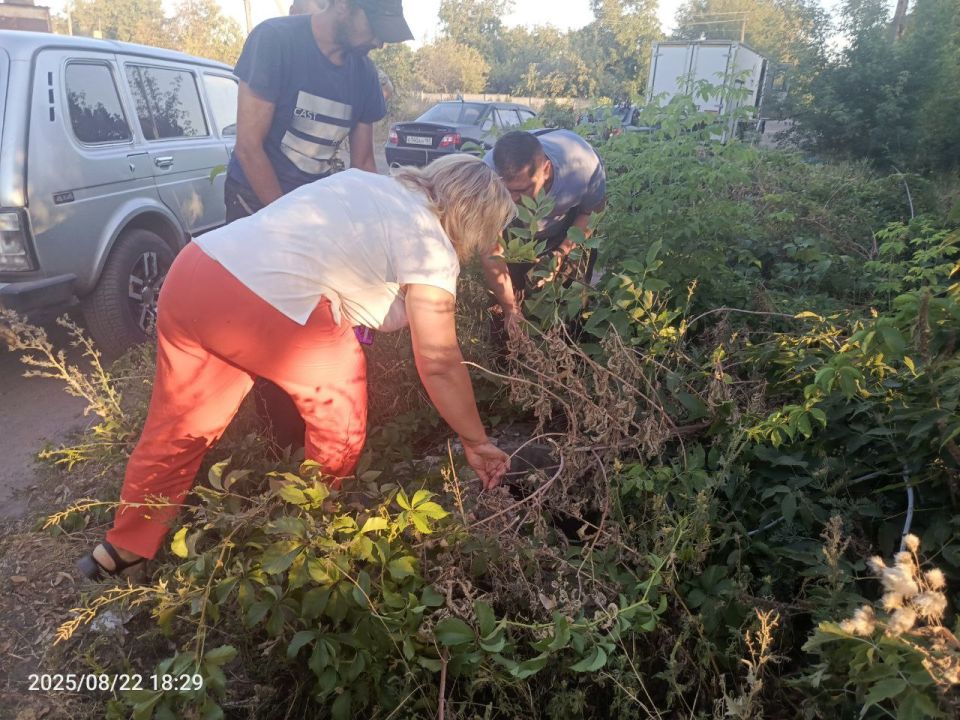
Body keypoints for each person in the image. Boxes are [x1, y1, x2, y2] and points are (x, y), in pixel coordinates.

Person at [77, 155, 514, 580]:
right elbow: (439, 361)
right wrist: (475, 441)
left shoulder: (371, 185)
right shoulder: (431, 245)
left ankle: (124, 547)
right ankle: (308, 539)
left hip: (196, 271)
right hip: (257, 304)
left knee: (179, 426)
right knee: (340, 417)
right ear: (474, 220)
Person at [228, 0, 413, 449]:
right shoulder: (275, 42)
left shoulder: (363, 73)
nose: (380, 41)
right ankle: (278, 442)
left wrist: (382, 229)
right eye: (377, 27)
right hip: (257, 205)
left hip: (314, 213)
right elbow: (249, 146)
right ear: (346, 7)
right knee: (270, 324)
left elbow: (364, 160)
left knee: (318, 320)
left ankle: (320, 429)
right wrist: (283, 224)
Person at [481, 130, 607, 336]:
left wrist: (560, 253)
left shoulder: (582, 166)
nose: (512, 199)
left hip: (568, 228)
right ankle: (507, 359)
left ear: (546, 169)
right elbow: (491, 252)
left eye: (522, 190)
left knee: (568, 305)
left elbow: (592, 213)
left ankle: (565, 357)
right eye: (506, 190)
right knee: (504, 312)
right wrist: (510, 308)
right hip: (515, 236)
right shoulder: (486, 176)